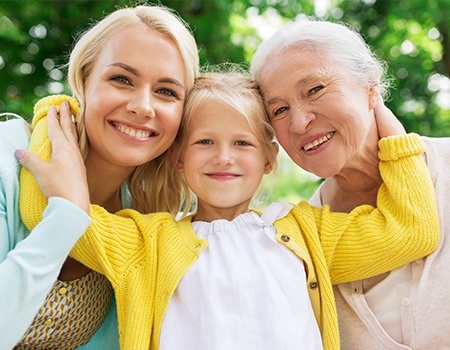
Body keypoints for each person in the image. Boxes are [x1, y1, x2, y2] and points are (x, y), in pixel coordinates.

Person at [17, 69, 439, 350]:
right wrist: (58, 113)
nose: (224, 157)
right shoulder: (144, 244)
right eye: (204, 143)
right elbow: (46, 215)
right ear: (179, 157)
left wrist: (390, 129)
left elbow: (412, 231)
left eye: (242, 143)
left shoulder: (309, 233)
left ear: (269, 159)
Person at [0, 4, 199, 349]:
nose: (143, 106)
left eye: (166, 91)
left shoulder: (144, 217)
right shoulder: (8, 159)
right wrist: (67, 214)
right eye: (122, 79)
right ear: (84, 80)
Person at [250, 18, 449, 349]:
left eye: (315, 89)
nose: (299, 123)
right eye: (280, 110)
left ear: (371, 87)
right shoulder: (301, 239)